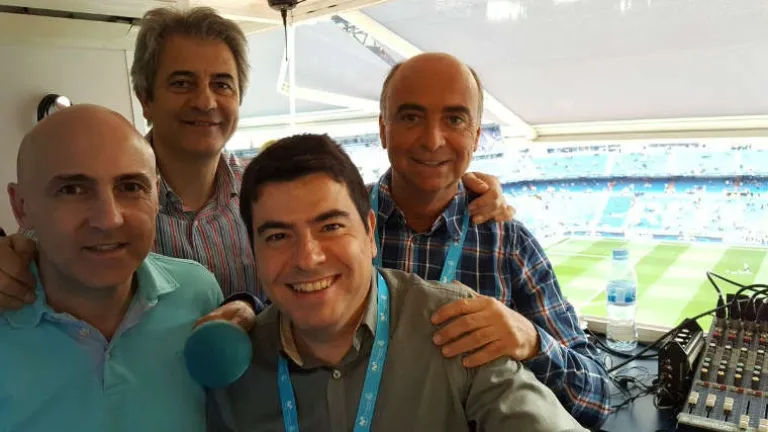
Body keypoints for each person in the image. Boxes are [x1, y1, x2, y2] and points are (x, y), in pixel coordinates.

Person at [0, 7, 512, 314]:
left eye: (222, 84)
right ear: (145, 97)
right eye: (182, 83)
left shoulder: (269, 196)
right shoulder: (105, 209)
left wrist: (454, 184)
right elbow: (33, 259)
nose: (205, 101)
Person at [207, 134, 586, 432]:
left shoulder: (457, 324)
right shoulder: (235, 364)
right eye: (278, 236)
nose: (308, 258)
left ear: (370, 232)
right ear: (253, 251)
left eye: (331, 226)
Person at [372, 53, 610, 427]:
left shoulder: (509, 243)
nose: (433, 140)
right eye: (411, 117)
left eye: (454, 119)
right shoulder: (336, 228)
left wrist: (531, 341)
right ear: (383, 129)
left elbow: (595, 398)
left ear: (476, 136)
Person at [0, 105, 222, 431]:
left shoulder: (198, 293)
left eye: (130, 187)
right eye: (72, 190)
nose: (109, 219)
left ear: (156, 196)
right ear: (22, 207)